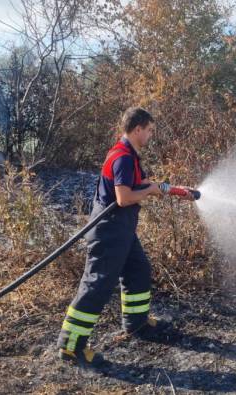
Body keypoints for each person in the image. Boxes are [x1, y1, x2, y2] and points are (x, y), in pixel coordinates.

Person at [56, 107, 194, 368]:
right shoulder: (123, 157)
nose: (151, 136)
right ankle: (71, 346)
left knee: (138, 269)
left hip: (122, 229)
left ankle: (137, 323)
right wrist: (152, 189)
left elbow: (137, 186)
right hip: (109, 230)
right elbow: (123, 197)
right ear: (138, 129)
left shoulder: (129, 155)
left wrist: (172, 190)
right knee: (97, 285)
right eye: (150, 130)